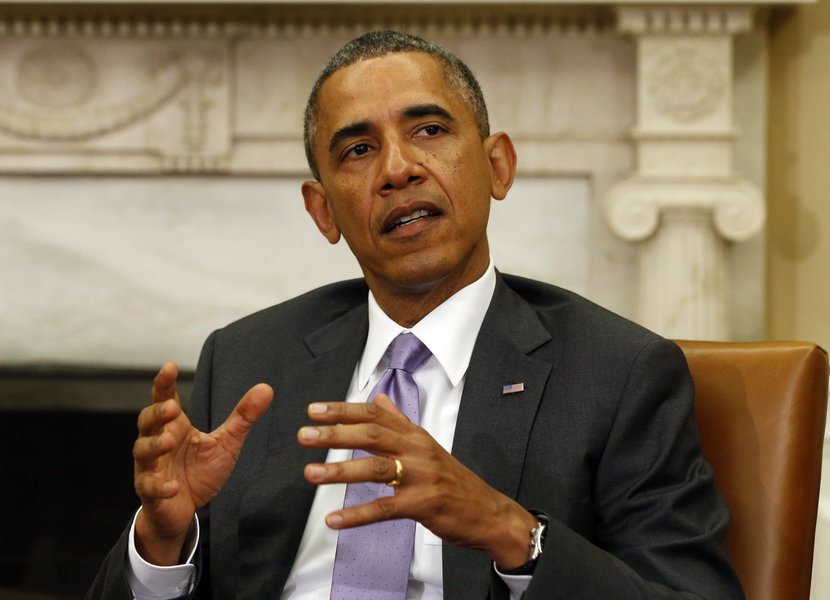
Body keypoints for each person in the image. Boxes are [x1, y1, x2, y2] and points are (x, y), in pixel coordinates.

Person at [89, 31, 744, 599]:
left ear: (497, 166)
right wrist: (162, 541)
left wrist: (509, 530)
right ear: (324, 212)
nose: (398, 170)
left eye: (428, 130)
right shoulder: (252, 359)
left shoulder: (617, 373)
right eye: (357, 150)